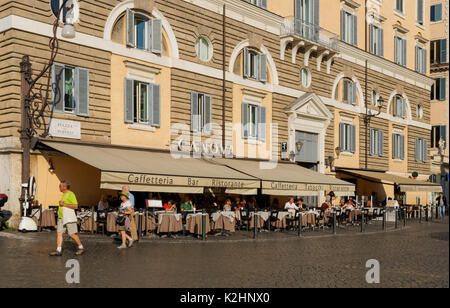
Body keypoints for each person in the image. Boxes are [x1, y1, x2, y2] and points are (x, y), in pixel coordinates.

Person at [49, 181, 84, 256]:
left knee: (71, 234)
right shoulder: (64, 194)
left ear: (64, 187)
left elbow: (76, 206)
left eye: (60, 186)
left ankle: (81, 247)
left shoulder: (71, 194)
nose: (59, 187)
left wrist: (63, 204)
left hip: (68, 217)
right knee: (59, 233)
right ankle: (58, 250)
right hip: (61, 217)